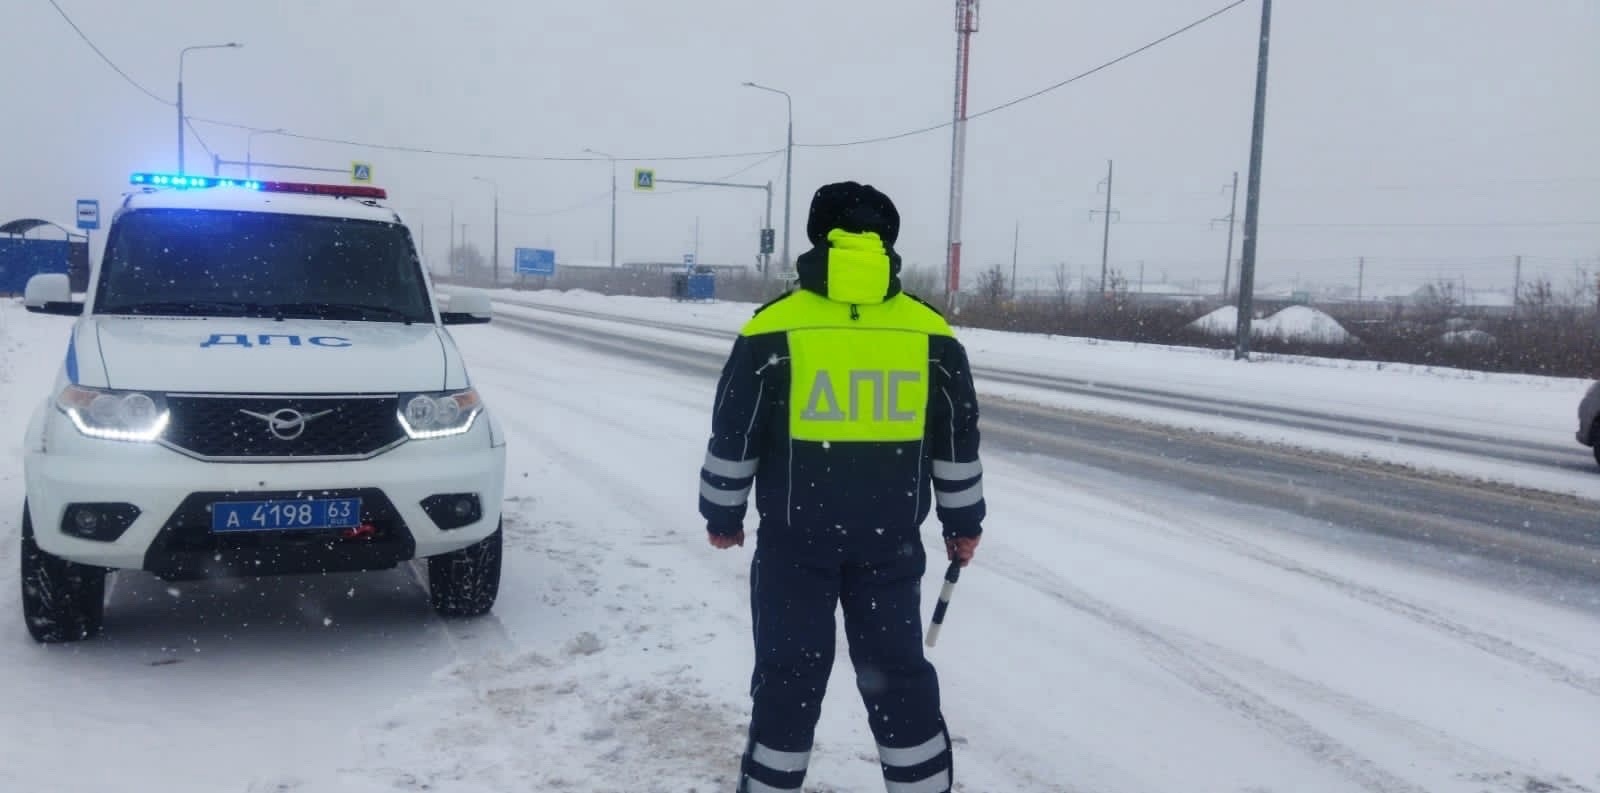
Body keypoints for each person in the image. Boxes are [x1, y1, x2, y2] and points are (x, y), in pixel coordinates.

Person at [699, 181, 985, 793]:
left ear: (815, 238)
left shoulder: (773, 329)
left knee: (788, 680)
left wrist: (723, 515)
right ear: (888, 243)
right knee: (899, 678)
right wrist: (963, 525)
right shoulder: (930, 334)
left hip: (793, 548)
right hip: (889, 546)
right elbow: (956, 446)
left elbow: (735, 435)